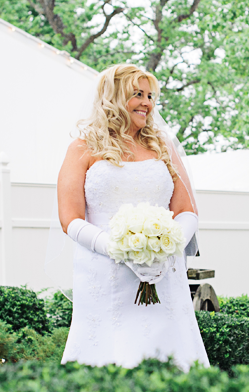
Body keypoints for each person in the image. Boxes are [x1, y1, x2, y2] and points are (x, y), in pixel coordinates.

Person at [56, 64, 210, 369]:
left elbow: (187, 210)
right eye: (137, 94)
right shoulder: (82, 148)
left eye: (150, 95)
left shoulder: (162, 146)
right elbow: (70, 218)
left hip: (164, 270)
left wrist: (167, 247)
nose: (147, 102)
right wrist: (116, 247)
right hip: (103, 271)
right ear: (112, 97)